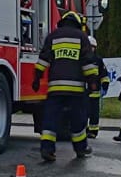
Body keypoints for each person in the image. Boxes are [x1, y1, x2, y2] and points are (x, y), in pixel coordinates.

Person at [32, 11, 99, 162]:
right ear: (77, 23)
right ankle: (81, 149)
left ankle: (47, 149)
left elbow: (43, 59)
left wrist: (37, 78)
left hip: (56, 88)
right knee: (78, 120)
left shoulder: (53, 36)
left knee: (50, 118)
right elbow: (88, 62)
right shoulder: (82, 37)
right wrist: (93, 81)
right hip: (75, 90)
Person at [86, 37, 109, 139]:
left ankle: (93, 131)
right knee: (83, 113)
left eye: (93, 47)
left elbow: (104, 75)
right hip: (83, 92)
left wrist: (105, 86)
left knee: (94, 113)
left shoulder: (98, 60)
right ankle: (84, 130)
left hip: (94, 92)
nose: (91, 49)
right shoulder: (82, 59)